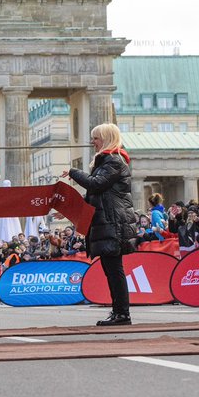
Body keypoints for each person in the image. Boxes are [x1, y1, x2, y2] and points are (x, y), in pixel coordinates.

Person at [62, 123, 137, 326]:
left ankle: (122, 313)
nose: (92, 141)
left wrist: (73, 172)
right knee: (111, 270)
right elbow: (95, 194)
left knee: (114, 270)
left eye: (95, 138)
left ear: (106, 138)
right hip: (109, 222)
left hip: (113, 223)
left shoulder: (113, 161)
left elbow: (95, 184)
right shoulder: (108, 162)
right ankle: (118, 312)